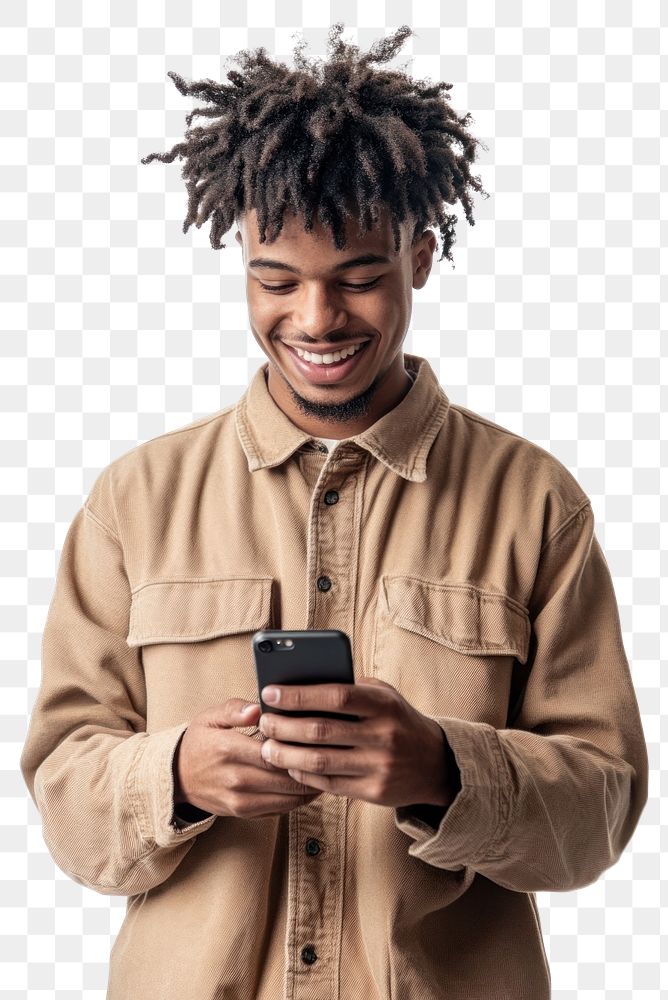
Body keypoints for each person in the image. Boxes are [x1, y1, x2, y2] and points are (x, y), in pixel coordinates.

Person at [20, 24, 648, 1000]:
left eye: (358, 277)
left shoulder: (534, 502)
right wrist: (175, 774)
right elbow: (64, 799)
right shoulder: (131, 501)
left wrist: (445, 767)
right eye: (275, 280)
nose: (315, 320)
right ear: (242, 265)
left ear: (421, 258)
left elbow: (599, 813)